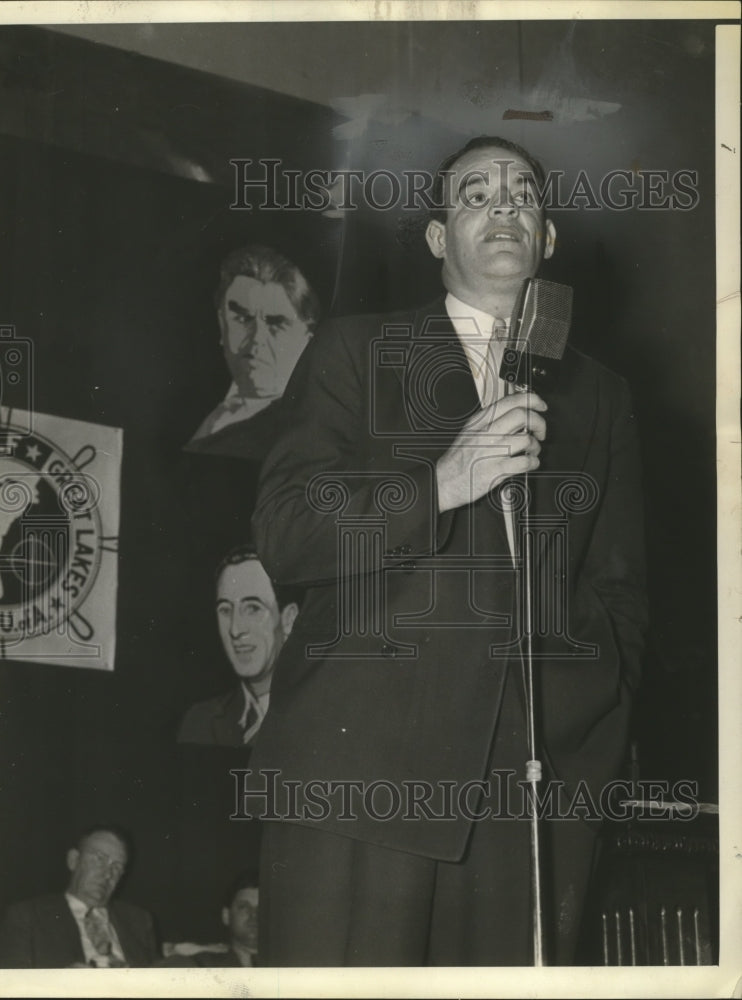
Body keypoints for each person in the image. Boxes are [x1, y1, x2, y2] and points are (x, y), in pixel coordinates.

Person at [247, 136, 647, 965]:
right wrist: (441, 482)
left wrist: (580, 736)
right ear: (437, 240)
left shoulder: (601, 394)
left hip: (530, 793)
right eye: (475, 193)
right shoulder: (354, 350)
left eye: (523, 193)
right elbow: (287, 528)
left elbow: (620, 590)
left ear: (547, 238)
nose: (503, 205)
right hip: (365, 778)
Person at [185, 244, 321, 462]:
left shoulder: (309, 434)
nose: (257, 339)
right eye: (242, 319)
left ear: (307, 338)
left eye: (276, 324)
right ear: (222, 324)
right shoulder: (193, 406)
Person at [178, 546, 300, 747]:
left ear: (289, 620)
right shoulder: (201, 723)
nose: (235, 629)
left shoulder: (322, 718)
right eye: (225, 610)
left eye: (252, 608)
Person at [0, 825, 157, 968]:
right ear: (73, 860)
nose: (107, 874)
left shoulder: (140, 921)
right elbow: (6, 984)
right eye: (99, 859)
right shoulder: (28, 916)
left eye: (117, 867)